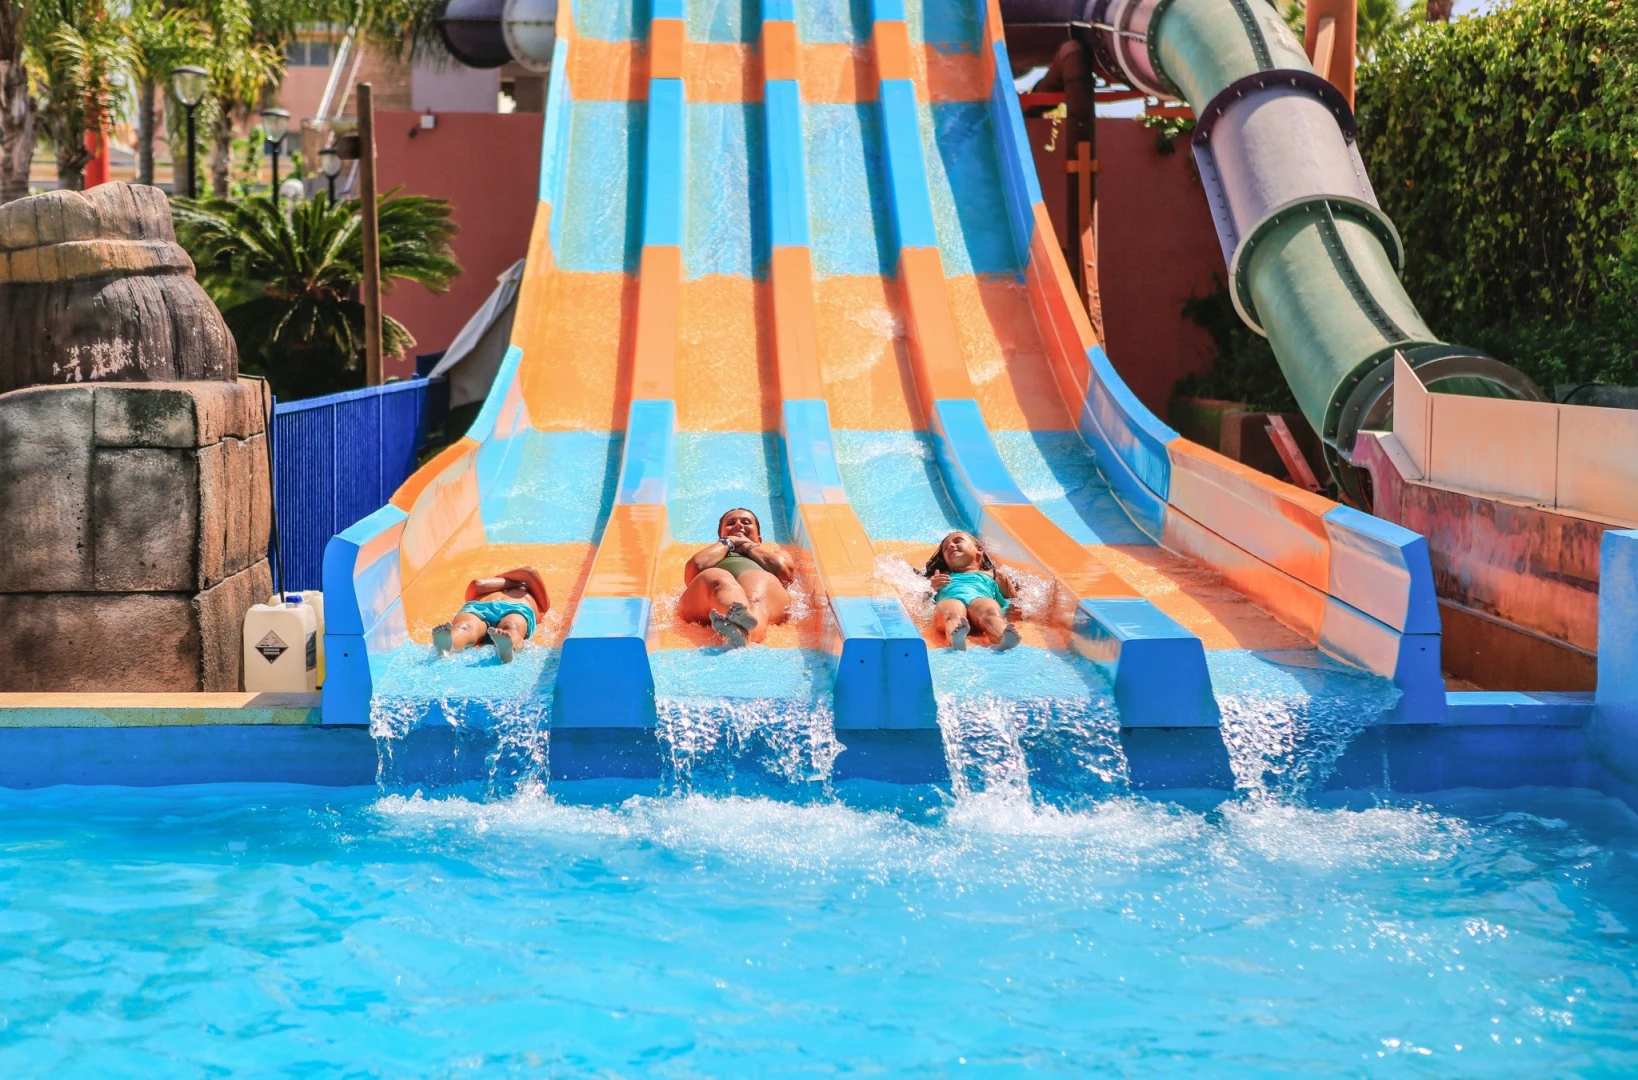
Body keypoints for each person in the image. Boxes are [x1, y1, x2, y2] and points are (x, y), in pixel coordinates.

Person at [679, 508, 795, 647]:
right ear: (720, 537)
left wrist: (748, 546)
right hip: (709, 599)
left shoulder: (776, 554)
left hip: (760, 593)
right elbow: (694, 570)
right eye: (731, 523)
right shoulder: (710, 555)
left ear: (759, 539)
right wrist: (728, 543)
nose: (738, 525)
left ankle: (744, 633)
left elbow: (784, 572)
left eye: (746, 522)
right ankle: (740, 622)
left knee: (758, 584)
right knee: (718, 577)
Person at [924, 531, 1021, 651]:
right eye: (945, 548)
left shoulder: (995, 575)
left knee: (990, 609)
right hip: (951, 601)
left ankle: (1003, 637)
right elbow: (922, 600)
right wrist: (931, 587)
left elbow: (1014, 600)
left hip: (979, 604)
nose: (951, 546)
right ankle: (955, 639)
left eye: (958, 541)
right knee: (952, 611)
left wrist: (1013, 611)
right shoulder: (940, 576)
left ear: (979, 550)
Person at [431, 567, 550, 663]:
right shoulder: (520, 585)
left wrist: (508, 581)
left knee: (511, 627)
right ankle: (449, 644)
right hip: (480, 607)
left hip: (516, 608)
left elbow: (530, 572)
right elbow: (477, 584)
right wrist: (519, 583)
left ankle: (508, 649)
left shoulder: (541, 600)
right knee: (464, 627)